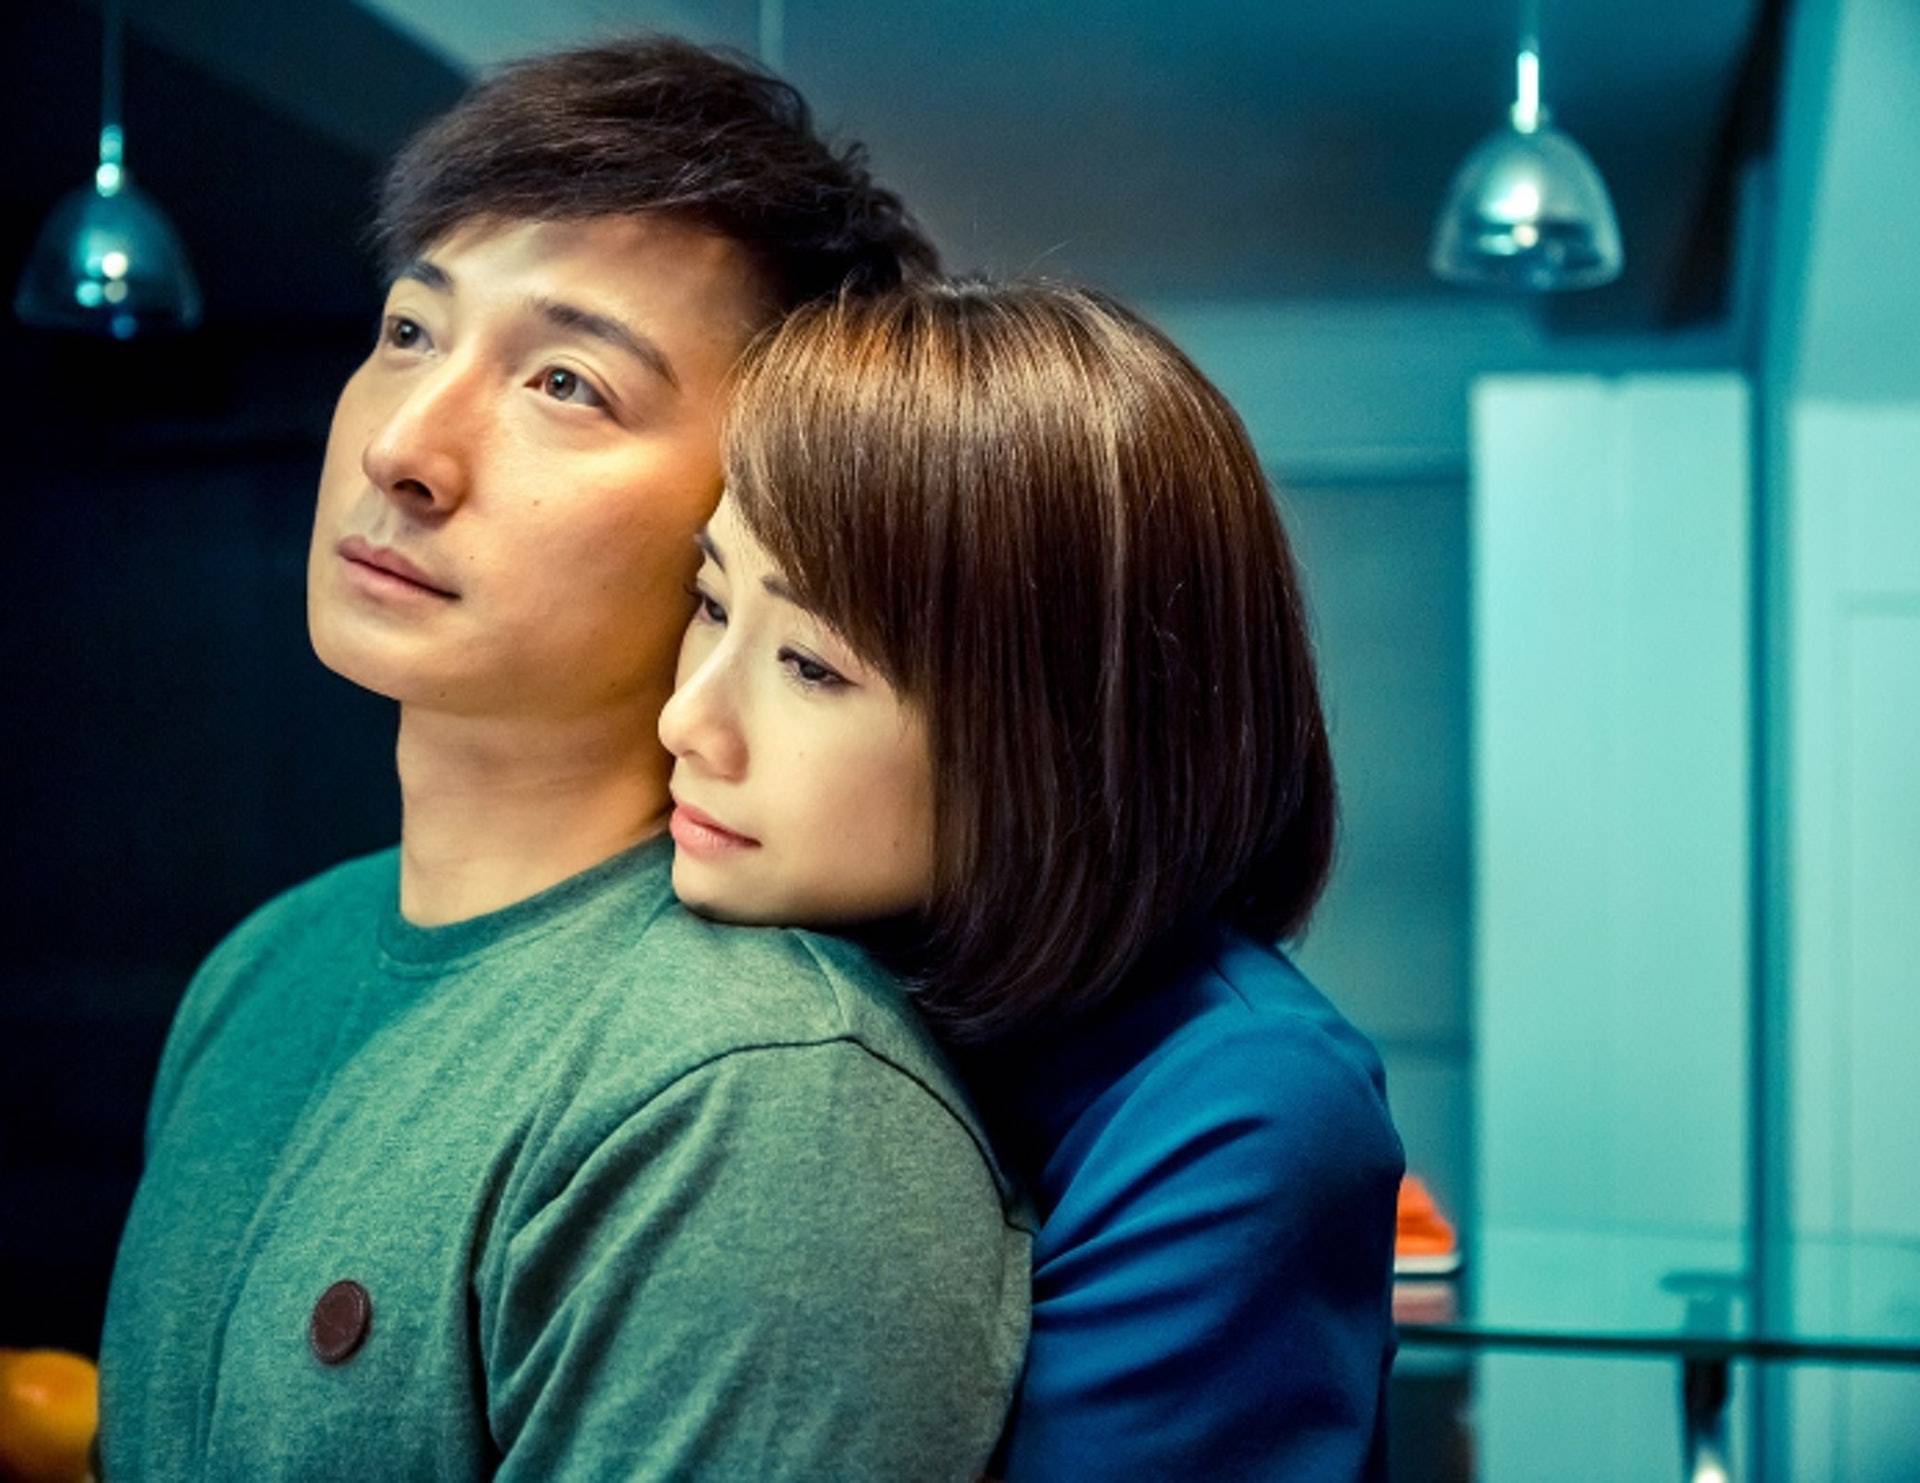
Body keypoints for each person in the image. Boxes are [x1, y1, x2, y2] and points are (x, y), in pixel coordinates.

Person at [97, 39, 1031, 1481]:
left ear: (760, 504)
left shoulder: (753, 1095)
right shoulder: (263, 968)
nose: (406, 446)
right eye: (411, 330)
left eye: (567, 382)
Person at [659, 279, 1405, 1481]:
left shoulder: (1248, 1107)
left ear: (1058, 731)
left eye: (809, 664)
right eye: (710, 602)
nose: (688, 719)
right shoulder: (815, 933)